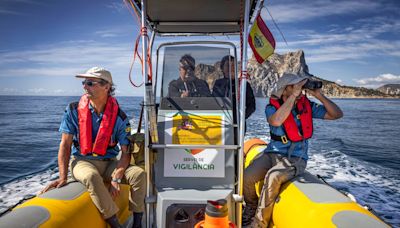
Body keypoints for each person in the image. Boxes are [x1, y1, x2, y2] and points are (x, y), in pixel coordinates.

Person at [40, 67, 146, 228]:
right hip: (82, 161)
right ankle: (116, 225)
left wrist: (117, 177)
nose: (84, 86)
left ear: (106, 87)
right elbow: (65, 145)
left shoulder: (119, 117)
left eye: (90, 83)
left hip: (109, 162)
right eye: (84, 83)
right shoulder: (73, 111)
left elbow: (125, 153)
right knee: (91, 176)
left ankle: (137, 224)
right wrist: (62, 177)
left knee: (138, 174)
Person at [242, 73, 343, 227]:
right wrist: (293, 96)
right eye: (295, 86)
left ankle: (259, 223)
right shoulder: (271, 107)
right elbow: (276, 120)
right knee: (247, 176)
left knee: (273, 177)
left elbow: (337, 114)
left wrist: (319, 96)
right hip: (272, 153)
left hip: (296, 157)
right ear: (285, 89)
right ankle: (251, 206)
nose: (300, 90)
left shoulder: (307, 106)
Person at [212, 55, 256, 129]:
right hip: (221, 123)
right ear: (222, 68)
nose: (231, 68)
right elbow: (214, 102)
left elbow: (251, 106)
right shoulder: (218, 83)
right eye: (228, 65)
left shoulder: (243, 84)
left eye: (233, 65)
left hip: (238, 125)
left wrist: (240, 118)